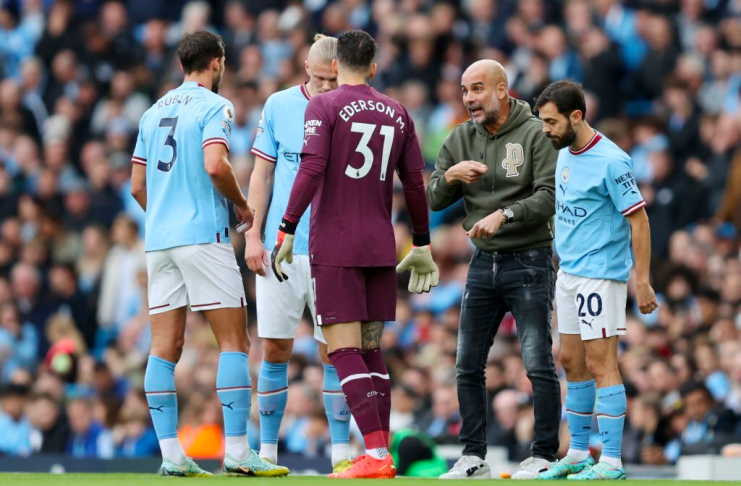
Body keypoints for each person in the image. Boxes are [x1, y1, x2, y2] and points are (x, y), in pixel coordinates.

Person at [271, 29, 439, 479]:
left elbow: (312, 166)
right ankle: (380, 455)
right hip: (381, 243)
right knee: (370, 351)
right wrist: (422, 241)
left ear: (338, 63)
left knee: (342, 351)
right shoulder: (399, 112)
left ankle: (378, 456)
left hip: (337, 242)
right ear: (374, 67)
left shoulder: (322, 105)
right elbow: (416, 182)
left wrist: (287, 225)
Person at [129, 29, 287, 477]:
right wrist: (241, 204)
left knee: (164, 347)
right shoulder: (216, 106)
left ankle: (171, 455)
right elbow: (215, 164)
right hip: (203, 235)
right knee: (234, 342)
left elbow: (137, 187)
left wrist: (165, 215)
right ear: (216, 62)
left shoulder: (150, 112)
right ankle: (237, 451)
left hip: (159, 241)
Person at [427, 60, 561, 480]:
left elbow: (549, 195)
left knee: (537, 362)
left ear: (503, 90)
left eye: (478, 89)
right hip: (484, 263)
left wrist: (505, 213)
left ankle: (543, 455)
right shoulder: (459, 137)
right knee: (467, 363)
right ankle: (473, 457)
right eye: (465, 90)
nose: (469, 98)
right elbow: (432, 198)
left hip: (530, 257)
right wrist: (450, 175)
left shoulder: (535, 130)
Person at [534, 80, 658, 480]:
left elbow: (639, 222)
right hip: (568, 273)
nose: (545, 130)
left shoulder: (612, 160)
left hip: (600, 276)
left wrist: (642, 282)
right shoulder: (564, 152)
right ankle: (578, 452)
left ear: (577, 116)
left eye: (551, 122)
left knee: (602, 363)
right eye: (542, 122)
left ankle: (612, 461)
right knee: (571, 361)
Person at [245, 34, 352, 473]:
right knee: (273, 348)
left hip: (334, 248)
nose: (327, 87)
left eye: (334, 79)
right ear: (306, 69)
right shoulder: (279, 106)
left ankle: (341, 454)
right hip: (281, 247)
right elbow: (262, 175)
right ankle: (268, 453)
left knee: (336, 352)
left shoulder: (354, 110)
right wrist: (253, 236)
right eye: (320, 78)